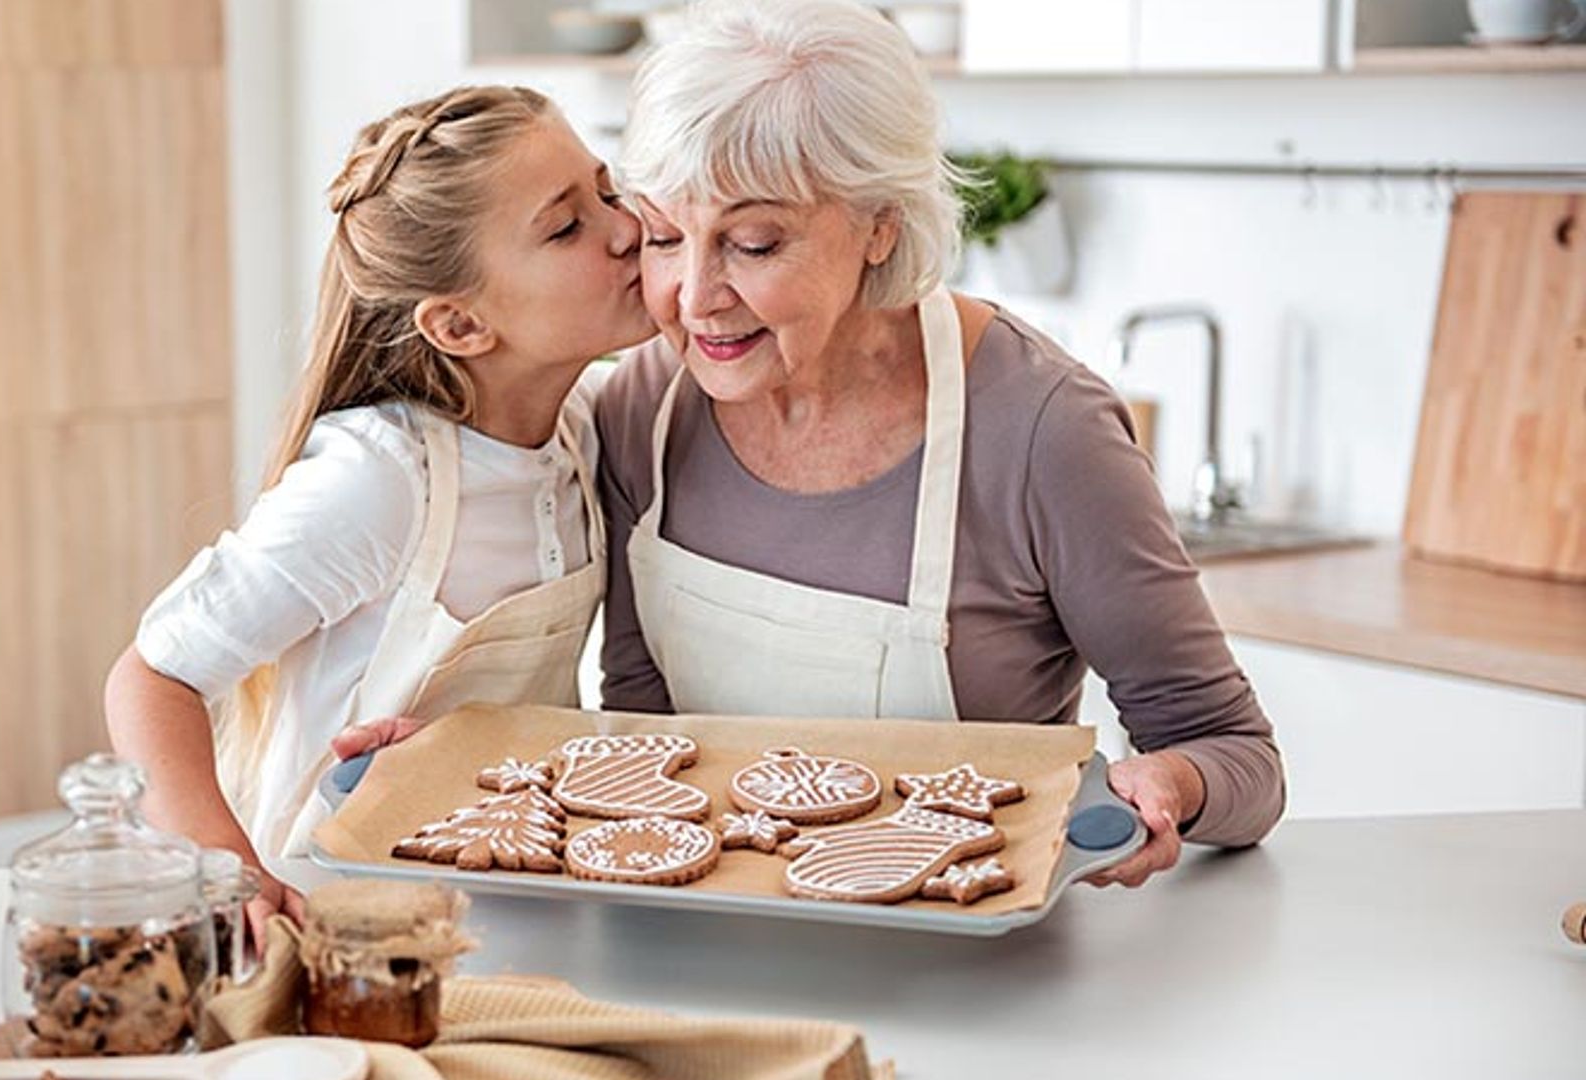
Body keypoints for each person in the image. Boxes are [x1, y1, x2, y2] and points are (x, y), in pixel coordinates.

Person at [596, 0, 1285, 887]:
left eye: (754, 243)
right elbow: (638, 732)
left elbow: (1236, 754)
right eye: (662, 237)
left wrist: (1171, 783)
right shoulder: (643, 412)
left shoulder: (1045, 431)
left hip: (973, 963)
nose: (693, 298)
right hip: (700, 944)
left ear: (880, 224)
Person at [105, 84, 653, 940]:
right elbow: (151, 679)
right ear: (461, 324)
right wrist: (227, 870)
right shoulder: (379, 480)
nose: (628, 230)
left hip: (509, 901)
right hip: (337, 918)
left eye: (609, 190)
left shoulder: (586, 428)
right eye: (566, 226)